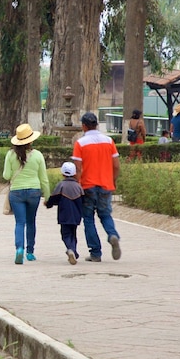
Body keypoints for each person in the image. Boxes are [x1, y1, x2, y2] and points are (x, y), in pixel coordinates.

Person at [72, 112, 122, 262]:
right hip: (106, 184)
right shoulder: (109, 141)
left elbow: (78, 169)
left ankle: (95, 253)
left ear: (84, 126)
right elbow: (117, 165)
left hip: (87, 185)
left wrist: (77, 185)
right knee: (105, 215)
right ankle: (112, 234)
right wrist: (112, 181)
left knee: (88, 219)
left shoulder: (80, 143)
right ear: (97, 125)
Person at [3, 124, 50, 264]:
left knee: (19, 223)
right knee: (31, 222)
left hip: (16, 192)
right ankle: (30, 252)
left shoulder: (10, 154)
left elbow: (6, 175)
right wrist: (47, 196)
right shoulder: (38, 155)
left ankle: (19, 249)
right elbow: (44, 179)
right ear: (31, 140)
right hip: (34, 192)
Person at [45, 162, 84, 265]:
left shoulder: (61, 185)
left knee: (65, 234)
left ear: (62, 174)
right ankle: (74, 251)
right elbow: (84, 201)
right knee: (73, 234)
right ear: (75, 174)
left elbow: (54, 199)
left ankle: (70, 249)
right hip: (76, 217)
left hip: (64, 215)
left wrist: (48, 204)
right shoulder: (78, 187)